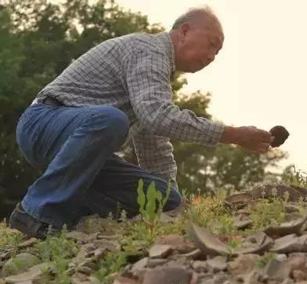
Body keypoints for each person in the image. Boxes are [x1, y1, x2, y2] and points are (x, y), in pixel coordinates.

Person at [9, 6, 273, 239]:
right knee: (111, 119)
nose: (212, 56)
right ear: (184, 31)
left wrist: (176, 205)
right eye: (212, 44)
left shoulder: (154, 80)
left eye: (218, 52)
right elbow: (158, 116)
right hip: (43, 124)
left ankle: (71, 218)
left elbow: (154, 145)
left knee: (163, 195)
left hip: (80, 153)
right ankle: (36, 212)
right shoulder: (148, 49)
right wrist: (232, 135)